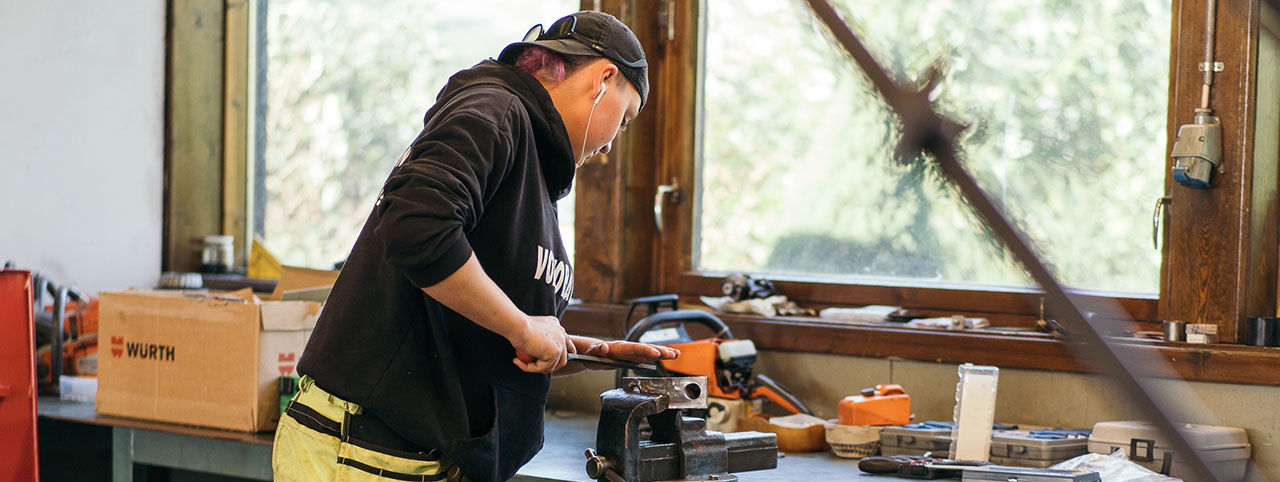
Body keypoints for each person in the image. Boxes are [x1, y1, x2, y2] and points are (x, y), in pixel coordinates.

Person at [271, 11, 679, 482]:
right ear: (604, 79)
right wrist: (523, 327)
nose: (610, 146)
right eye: (624, 120)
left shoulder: (532, 163)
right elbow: (418, 224)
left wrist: (563, 347)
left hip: (422, 454)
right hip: (368, 450)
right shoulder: (496, 110)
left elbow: (464, 311)